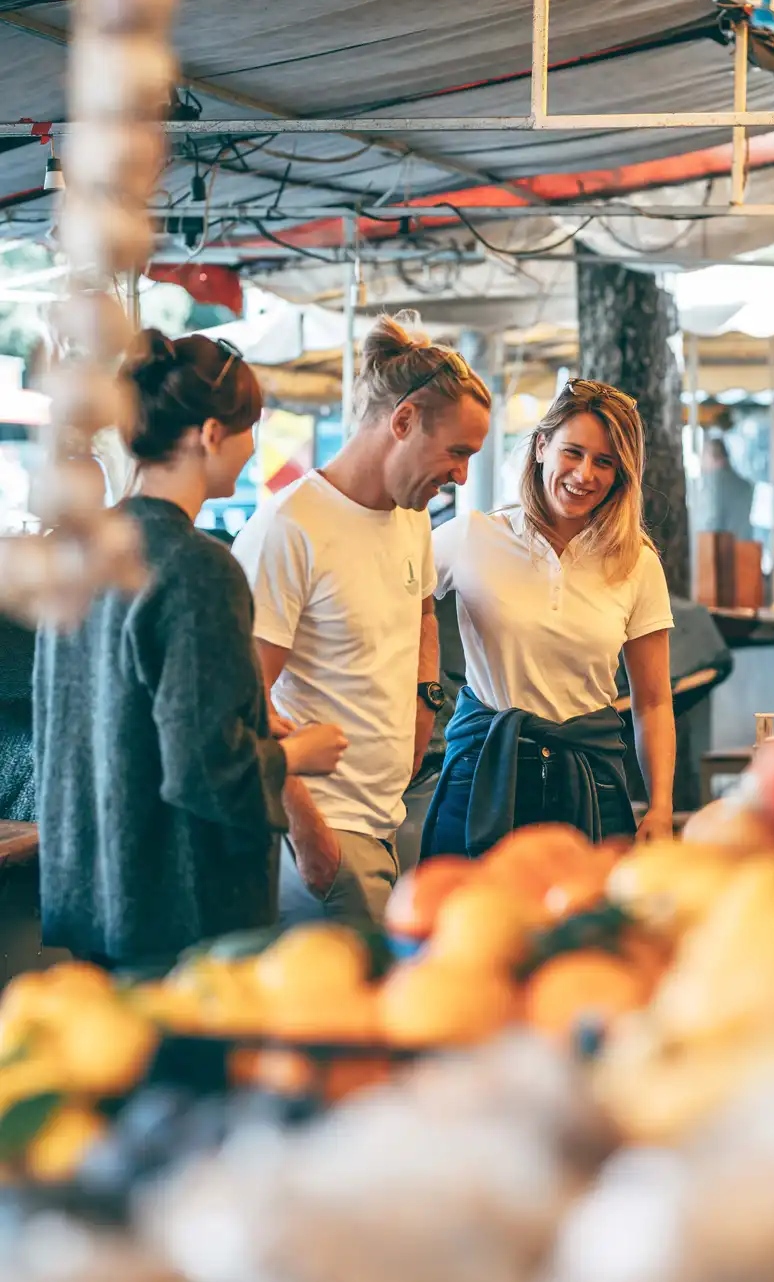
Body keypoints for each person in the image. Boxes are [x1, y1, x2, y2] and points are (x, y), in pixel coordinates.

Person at [33, 330, 347, 971]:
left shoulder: (82, 551)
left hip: (88, 885)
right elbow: (206, 769)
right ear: (210, 433)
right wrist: (294, 754)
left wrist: (254, 723)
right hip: (179, 903)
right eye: (249, 427)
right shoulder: (198, 567)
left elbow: (94, 719)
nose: (254, 446)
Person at [233, 313, 491, 925]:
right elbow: (242, 697)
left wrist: (426, 701)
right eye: (457, 453)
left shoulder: (409, 514)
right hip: (322, 832)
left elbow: (423, 607)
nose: (461, 476)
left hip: (386, 818)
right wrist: (306, 828)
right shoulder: (290, 527)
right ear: (403, 422)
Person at [421, 377, 676, 859]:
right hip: (481, 773)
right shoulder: (471, 536)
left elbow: (654, 702)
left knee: (586, 931)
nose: (585, 475)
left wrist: (661, 806)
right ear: (541, 446)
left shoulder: (637, 562)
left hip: (592, 780)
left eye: (605, 462)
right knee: (461, 922)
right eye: (572, 452)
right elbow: (394, 600)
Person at [696, 435, 755, 542]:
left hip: (717, 550)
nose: (701, 462)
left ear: (712, 457)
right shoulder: (745, 486)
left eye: (703, 456)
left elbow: (709, 522)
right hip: (744, 548)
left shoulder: (712, 483)